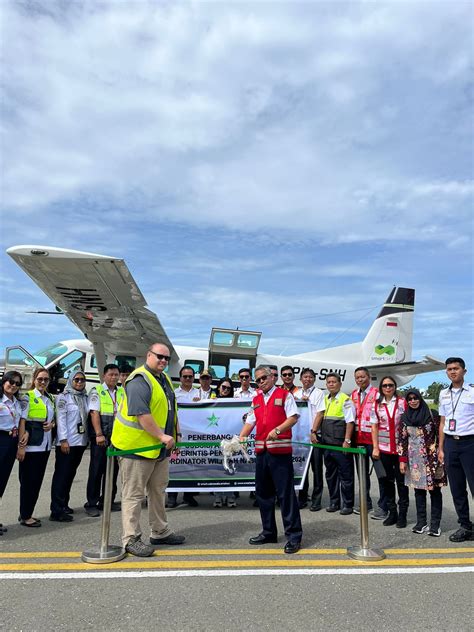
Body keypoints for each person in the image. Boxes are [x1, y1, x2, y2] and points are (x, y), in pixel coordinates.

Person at [111, 343, 185, 557]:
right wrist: (163, 436)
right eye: (159, 357)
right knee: (134, 495)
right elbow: (142, 414)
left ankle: (160, 531)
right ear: (148, 355)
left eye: (166, 358)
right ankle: (130, 539)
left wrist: (175, 436)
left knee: (157, 490)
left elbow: (172, 410)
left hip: (157, 448)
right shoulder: (139, 380)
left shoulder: (164, 379)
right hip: (136, 447)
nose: (163, 361)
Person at [239, 365, 302, 554]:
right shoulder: (256, 399)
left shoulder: (284, 395)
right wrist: (241, 437)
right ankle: (268, 532)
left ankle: (294, 536)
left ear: (272, 377)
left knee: (285, 495)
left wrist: (278, 430)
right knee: (263, 494)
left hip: (280, 451)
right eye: (257, 380)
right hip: (261, 451)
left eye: (263, 378)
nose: (260, 382)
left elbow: (293, 417)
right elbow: (251, 420)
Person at [398, 389, 446, 536]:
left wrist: (441, 451)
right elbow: (402, 440)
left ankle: (435, 525)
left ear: (420, 398)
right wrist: (402, 460)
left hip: (432, 459)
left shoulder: (432, 415)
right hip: (415, 461)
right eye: (410, 399)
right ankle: (421, 522)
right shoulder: (405, 418)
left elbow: (440, 433)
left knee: (435, 491)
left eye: (415, 398)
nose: (413, 401)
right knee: (418, 491)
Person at [438, 357, 474, 542]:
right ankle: (465, 526)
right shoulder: (443, 394)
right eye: (449, 369)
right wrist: (441, 447)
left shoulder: (472, 392)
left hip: (470, 444)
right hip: (451, 444)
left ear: (464, 371)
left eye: (456, 368)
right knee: (457, 489)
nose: (453, 371)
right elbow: (442, 422)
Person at [49, 371, 90, 522]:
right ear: (71, 381)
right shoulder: (63, 398)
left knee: (70, 475)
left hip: (80, 442)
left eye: (82, 380)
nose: (79, 382)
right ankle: (56, 510)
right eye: (76, 379)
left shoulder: (85, 398)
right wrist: (63, 440)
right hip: (67, 443)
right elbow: (60, 419)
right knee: (61, 476)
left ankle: (64, 504)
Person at [84, 364, 124, 517]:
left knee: (112, 471)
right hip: (102, 437)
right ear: (104, 376)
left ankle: (107, 500)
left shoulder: (121, 392)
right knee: (96, 470)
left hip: (117, 437)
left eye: (116, 375)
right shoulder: (97, 391)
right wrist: (99, 434)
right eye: (111, 374)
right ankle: (91, 503)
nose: (114, 377)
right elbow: (94, 413)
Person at [18, 368, 55, 527]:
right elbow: (22, 421)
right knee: (28, 483)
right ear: (34, 379)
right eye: (40, 379)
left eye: (46, 379)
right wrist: (21, 446)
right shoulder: (28, 397)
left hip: (45, 446)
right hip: (31, 447)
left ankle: (27, 513)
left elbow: (52, 420)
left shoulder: (50, 398)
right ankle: (26, 516)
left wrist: (52, 424)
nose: (43, 382)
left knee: (37, 482)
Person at [313, 373, 355, 515]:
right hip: (327, 444)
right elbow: (319, 416)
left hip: (340, 444)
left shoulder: (346, 400)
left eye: (334, 382)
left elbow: (350, 422)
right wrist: (314, 432)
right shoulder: (325, 399)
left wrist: (347, 440)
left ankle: (348, 504)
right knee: (330, 475)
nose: (331, 384)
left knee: (346, 475)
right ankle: (334, 502)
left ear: (340, 384)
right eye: (329, 382)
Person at [371, 376, 409, 528]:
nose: (388, 388)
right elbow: (374, 427)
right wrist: (375, 447)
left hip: (400, 450)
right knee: (387, 482)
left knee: (402, 483)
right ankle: (392, 513)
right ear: (381, 387)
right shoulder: (377, 405)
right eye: (385, 385)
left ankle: (403, 515)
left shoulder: (402, 402)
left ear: (395, 386)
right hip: (384, 449)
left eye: (391, 385)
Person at [351, 366, 387, 519]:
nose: (360, 380)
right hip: (358, 439)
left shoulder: (378, 394)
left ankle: (384, 506)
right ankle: (365, 502)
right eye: (357, 377)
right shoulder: (353, 394)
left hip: (373, 440)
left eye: (362, 377)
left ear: (369, 377)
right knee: (362, 474)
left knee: (381, 474)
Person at [167, 366, 199, 508]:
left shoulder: (199, 393)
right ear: (180, 378)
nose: (187, 379)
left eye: (190, 376)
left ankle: (188, 496)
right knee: (175, 465)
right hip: (177, 434)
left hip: (194, 435)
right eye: (185, 376)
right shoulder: (174, 394)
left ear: (193, 378)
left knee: (191, 466)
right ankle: (172, 496)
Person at [294, 368, 325, 511]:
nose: (308, 379)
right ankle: (302, 498)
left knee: (316, 469)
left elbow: (320, 413)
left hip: (314, 436)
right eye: (305, 377)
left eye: (311, 377)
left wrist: (313, 431)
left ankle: (316, 500)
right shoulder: (296, 393)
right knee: (302, 469)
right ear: (301, 379)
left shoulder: (318, 393)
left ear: (314, 379)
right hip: (300, 437)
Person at [0, 371, 26, 535]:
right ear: (4, 381)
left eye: (17, 383)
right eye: (11, 381)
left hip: (11, 442)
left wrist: (21, 443)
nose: (13, 385)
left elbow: (21, 422)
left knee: (1, 483)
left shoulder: (17, 402)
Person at [213, 378, 237, 508]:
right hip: (216, 439)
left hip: (230, 440)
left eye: (228, 388)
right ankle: (218, 496)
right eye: (223, 387)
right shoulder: (211, 401)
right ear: (218, 387)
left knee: (230, 467)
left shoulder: (235, 402)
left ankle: (230, 496)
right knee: (218, 468)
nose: (225, 390)